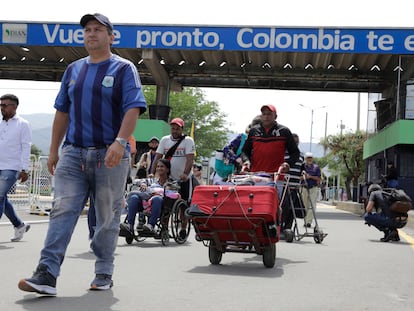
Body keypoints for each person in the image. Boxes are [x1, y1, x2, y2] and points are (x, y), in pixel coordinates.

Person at [18, 13, 147, 295]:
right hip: (73, 154)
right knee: (62, 209)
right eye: (87, 30)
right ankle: (47, 274)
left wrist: (120, 142)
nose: (91, 34)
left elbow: (133, 108)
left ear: (111, 36)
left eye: (98, 30)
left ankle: (103, 271)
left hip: (109, 155)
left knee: (106, 218)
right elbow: (62, 112)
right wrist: (54, 151)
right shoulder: (73, 70)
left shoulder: (124, 69)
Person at [151, 117, 195, 238]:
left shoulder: (188, 141)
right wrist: (152, 173)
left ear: (182, 129)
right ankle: (164, 228)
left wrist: (185, 174)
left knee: (183, 204)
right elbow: (157, 157)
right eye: (173, 128)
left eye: (177, 129)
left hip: (183, 179)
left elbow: (190, 159)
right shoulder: (165, 140)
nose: (174, 131)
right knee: (167, 203)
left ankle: (183, 228)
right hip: (169, 178)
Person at [0, 94, 32, 242]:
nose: (2, 108)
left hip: (11, 167)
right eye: (1, 105)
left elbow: (26, 146)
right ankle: (20, 225)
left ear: (14, 107)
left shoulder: (22, 124)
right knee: (2, 199)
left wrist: (25, 169)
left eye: (5, 105)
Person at [241, 104, 300, 174]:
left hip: (276, 176)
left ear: (275, 116)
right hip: (255, 175)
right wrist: (246, 161)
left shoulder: (284, 131)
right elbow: (245, 151)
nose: (266, 117)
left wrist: (288, 164)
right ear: (261, 116)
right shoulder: (254, 131)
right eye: (264, 114)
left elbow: (295, 153)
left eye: (269, 114)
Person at [124, 158, 178, 233]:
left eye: (162, 166)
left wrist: (160, 193)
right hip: (145, 203)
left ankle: (151, 225)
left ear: (167, 169)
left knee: (157, 199)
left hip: (161, 205)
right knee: (134, 197)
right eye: (158, 166)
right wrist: (143, 183)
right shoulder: (153, 180)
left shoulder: (172, 183)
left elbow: (175, 194)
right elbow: (136, 181)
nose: (159, 168)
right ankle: (129, 225)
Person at [281, 133, 305, 233]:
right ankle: (281, 228)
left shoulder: (301, 155)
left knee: (293, 209)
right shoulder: (282, 153)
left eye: (297, 142)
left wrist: (303, 173)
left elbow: (302, 168)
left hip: (295, 186)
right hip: (284, 186)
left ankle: (288, 228)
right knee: (284, 207)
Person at [301, 152, 321, 228]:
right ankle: (306, 220)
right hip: (304, 188)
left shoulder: (316, 167)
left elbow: (318, 178)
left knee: (312, 205)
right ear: (305, 159)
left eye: (310, 158)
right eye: (308, 158)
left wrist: (310, 177)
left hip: (313, 188)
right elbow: (299, 177)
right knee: (305, 205)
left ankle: (308, 222)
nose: (309, 159)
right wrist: (304, 177)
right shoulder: (302, 167)